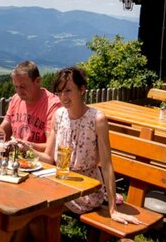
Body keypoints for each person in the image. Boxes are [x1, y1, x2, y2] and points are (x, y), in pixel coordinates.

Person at [20, 66, 140, 222]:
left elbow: (106, 165)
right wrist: (26, 149)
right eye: (60, 92)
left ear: (82, 89)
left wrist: (113, 210)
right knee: (27, 205)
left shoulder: (97, 119)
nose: (63, 97)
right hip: (60, 182)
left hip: (86, 190)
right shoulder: (59, 115)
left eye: (68, 90)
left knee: (39, 213)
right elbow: (49, 158)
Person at [0, 61, 62, 153]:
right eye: (16, 87)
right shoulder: (16, 99)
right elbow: (4, 133)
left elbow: (51, 147)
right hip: (17, 159)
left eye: (23, 87)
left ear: (37, 81)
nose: (19, 91)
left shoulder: (53, 105)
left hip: (40, 163)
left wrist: (24, 146)